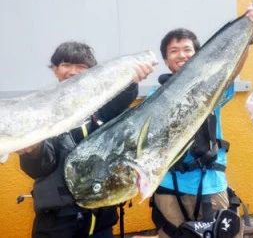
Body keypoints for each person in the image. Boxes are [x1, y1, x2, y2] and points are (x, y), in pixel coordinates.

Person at [148, 7, 253, 238]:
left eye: (187, 49)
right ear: (166, 60)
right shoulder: (154, 98)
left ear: (198, 54)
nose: (181, 55)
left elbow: (232, 68)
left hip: (210, 184)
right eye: (173, 51)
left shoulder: (213, 89)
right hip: (168, 187)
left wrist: (249, 35)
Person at [18, 41, 154, 238]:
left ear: (92, 72)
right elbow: (38, 169)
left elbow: (119, 103)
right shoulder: (41, 111)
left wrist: (131, 81)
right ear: (55, 69)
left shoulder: (101, 106)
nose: (73, 72)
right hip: (56, 223)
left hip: (101, 220)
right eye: (66, 65)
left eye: (81, 66)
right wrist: (32, 151)